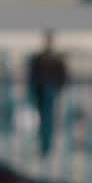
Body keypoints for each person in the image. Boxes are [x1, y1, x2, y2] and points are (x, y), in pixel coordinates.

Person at [27, 29, 69, 157]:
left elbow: (63, 75)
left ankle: (46, 147)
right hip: (41, 91)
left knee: (48, 119)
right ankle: (44, 146)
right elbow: (32, 76)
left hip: (50, 91)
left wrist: (60, 88)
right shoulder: (39, 57)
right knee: (43, 119)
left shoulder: (56, 58)